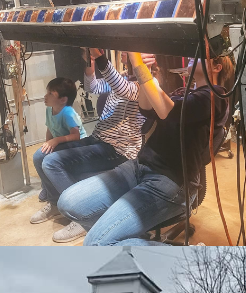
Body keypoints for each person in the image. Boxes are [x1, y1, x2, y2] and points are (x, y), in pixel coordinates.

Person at [57, 53, 235, 245]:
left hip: (170, 181)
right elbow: (147, 109)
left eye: (199, 56)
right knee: (67, 203)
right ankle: (126, 237)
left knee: (96, 244)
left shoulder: (216, 96)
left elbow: (170, 112)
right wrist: (146, 71)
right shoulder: (184, 91)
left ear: (217, 67)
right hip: (139, 167)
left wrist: (137, 62)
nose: (191, 57)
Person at [30, 48, 149, 243]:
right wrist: (90, 64)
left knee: (52, 163)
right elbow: (93, 86)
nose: (125, 53)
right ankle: (53, 202)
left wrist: (101, 57)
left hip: (119, 149)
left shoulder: (146, 86)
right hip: (99, 139)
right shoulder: (120, 78)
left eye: (131, 51)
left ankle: (84, 218)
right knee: (39, 156)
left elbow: (123, 89)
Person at [30, 77, 82, 221]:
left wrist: (56, 141)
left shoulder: (68, 113)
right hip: (60, 143)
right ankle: (50, 193)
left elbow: (76, 136)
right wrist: (48, 144)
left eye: (50, 94)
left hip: (77, 145)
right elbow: (50, 129)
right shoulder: (49, 110)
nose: (45, 96)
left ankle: (56, 199)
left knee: (42, 157)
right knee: (39, 156)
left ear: (63, 100)